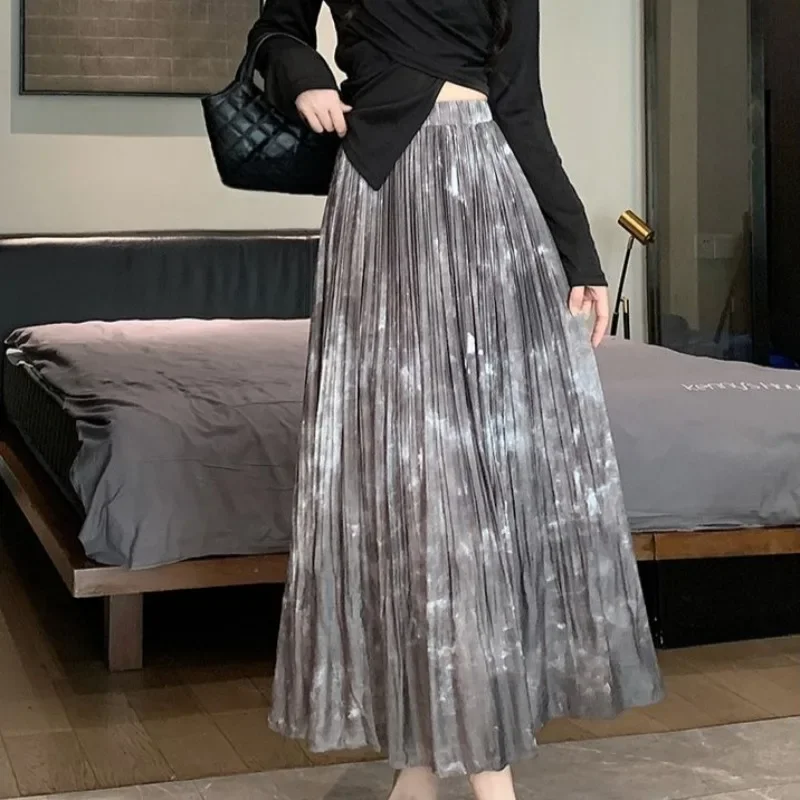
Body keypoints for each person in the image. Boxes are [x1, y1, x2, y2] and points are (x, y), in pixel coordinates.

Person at [248, 1, 664, 798]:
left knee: (482, 477)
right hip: (384, 194)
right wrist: (303, 78)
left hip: (489, 198)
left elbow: (522, 105)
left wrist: (580, 254)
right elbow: (277, 28)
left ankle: (439, 764)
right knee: (413, 479)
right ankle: (440, 761)